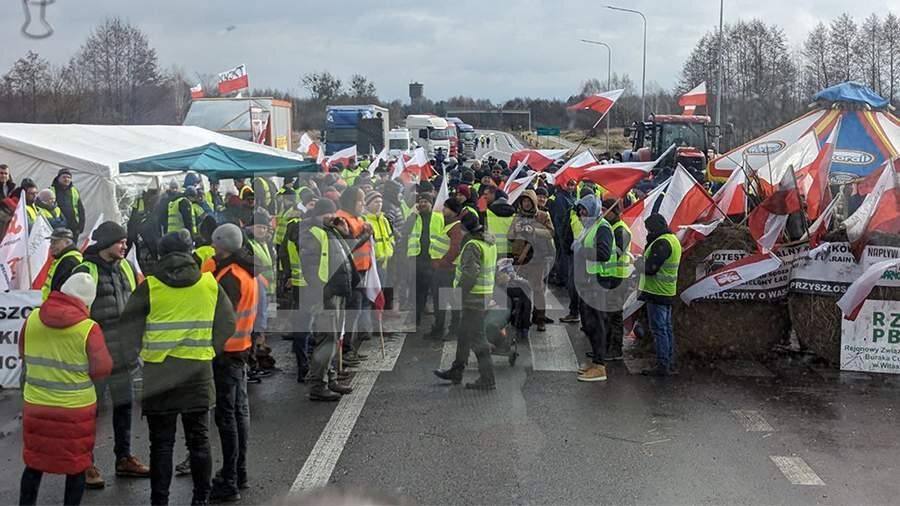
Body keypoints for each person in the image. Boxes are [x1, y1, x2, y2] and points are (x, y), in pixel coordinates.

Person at [119, 230, 236, 506]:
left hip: (159, 375)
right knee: (199, 441)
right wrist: (209, 349)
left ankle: (160, 501)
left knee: (161, 445)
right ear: (190, 251)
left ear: (161, 255)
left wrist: (132, 359)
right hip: (197, 372)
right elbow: (228, 323)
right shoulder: (208, 284)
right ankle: (201, 500)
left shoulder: (150, 286)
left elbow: (128, 329)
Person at [18, 273, 112, 506]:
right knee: (76, 466)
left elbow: (22, 352)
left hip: (37, 405)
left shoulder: (33, 319)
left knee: (34, 464)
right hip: (75, 410)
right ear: (87, 301)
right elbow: (102, 369)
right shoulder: (88, 328)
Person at [72, 221, 148, 488]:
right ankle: (86, 463)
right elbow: (75, 313)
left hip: (124, 353)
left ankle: (124, 457)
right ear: (105, 243)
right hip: (95, 356)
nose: (125, 246)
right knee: (90, 412)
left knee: (123, 408)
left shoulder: (126, 266)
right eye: (120, 241)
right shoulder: (85, 269)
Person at [206, 223, 258, 501]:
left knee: (227, 418)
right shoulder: (245, 271)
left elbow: (221, 318)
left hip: (227, 354)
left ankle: (230, 479)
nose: (212, 247)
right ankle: (239, 472)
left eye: (215, 243)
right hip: (241, 349)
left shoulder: (228, 276)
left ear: (222, 245)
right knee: (239, 414)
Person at [299, 199, 357, 401]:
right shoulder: (311, 233)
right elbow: (311, 267)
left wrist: (344, 232)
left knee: (332, 341)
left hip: (336, 292)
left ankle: (329, 378)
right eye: (329, 214)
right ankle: (318, 384)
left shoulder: (328, 230)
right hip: (326, 295)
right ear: (320, 214)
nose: (334, 217)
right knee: (326, 340)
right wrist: (322, 293)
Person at [433, 212, 497, 390]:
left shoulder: (472, 245)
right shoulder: (488, 241)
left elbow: (470, 274)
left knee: (477, 338)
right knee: (464, 334)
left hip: (473, 296)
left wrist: (458, 294)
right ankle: (457, 370)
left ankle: (487, 377)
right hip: (483, 294)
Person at [574, 200, 614, 382]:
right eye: (580, 211)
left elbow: (604, 253)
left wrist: (583, 250)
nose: (582, 215)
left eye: (585, 211)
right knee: (589, 324)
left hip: (597, 281)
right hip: (588, 282)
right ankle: (596, 361)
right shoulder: (590, 227)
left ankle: (600, 366)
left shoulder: (602, 227)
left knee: (597, 324)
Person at [639, 213, 681, 377]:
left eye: (649, 229)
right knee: (666, 329)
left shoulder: (662, 242)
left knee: (659, 330)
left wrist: (637, 263)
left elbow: (651, 268)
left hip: (657, 291)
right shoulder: (672, 240)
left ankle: (663, 364)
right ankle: (670, 362)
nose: (648, 232)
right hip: (667, 290)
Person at [509, 190, 555, 331]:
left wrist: (534, 230)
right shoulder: (517, 217)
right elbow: (510, 237)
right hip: (520, 257)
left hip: (537, 258)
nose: (526, 204)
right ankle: (522, 318)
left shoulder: (542, 215)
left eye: (529, 201)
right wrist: (515, 230)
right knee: (521, 289)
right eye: (524, 201)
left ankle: (539, 318)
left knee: (538, 289)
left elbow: (550, 232)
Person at [405, 192, 445, 328]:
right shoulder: (413, 217)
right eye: (420, 201)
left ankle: (438, 324)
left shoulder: (439, 218)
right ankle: (415, 320)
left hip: (434, 260)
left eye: (425, 202)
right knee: (418, 292)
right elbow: (405, 233)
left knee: (436, 293)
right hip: (417, 259)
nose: (422, 204)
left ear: (431, 204)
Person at [429, 198, 465, 340]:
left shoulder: (456, 226)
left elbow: (455, 248)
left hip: (448, 270)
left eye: (446, 208)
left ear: (453, 210)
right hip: (441, 269)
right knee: (439, 300)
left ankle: (453, 330)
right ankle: (438, 328)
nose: (443, 210)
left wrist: (444, 262)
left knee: (452, 301)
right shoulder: (449, 224)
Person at [603, 199, 632, 361]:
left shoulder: (620, 230)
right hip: (611, 276)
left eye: (605, 210)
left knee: (614, 314)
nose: (602, 213)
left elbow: (616, 253)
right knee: (607, 313)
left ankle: (616, 349)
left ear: (613, 212)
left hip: (619, 278)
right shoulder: (611, 227)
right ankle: (606, 346)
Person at [41, 228, 83, 301]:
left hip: (56, 307)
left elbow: (59, 291)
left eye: (55, 242)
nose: (51, 246)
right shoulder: (66, 258)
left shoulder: (69, 261)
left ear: (67, 242)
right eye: (51, 242)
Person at [51, 168, 85, 239]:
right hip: (57, 226)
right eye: (64, 177)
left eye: (69, 177)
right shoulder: (51, 190)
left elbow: (80, 209)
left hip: (73, 227)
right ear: (58, 178)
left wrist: (81, 226)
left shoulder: (74, 191)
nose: (66, 179)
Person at [483, 187, 516, 258]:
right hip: (509, 253)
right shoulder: (514, 215)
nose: (484, 197)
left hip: (491, 251)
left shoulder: (486, 213)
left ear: (494, 195)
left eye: (486, 194)